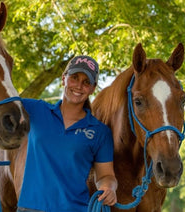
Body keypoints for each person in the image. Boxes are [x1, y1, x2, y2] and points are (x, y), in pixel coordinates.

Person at [17, 56, 118, 212]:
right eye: (74, 78)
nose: (78, 86)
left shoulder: (100, 132)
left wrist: (109, 188)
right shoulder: (35, 109)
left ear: (92, 88)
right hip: (30, 208)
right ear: (64, 79)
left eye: (86, 82)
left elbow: (106, 176)